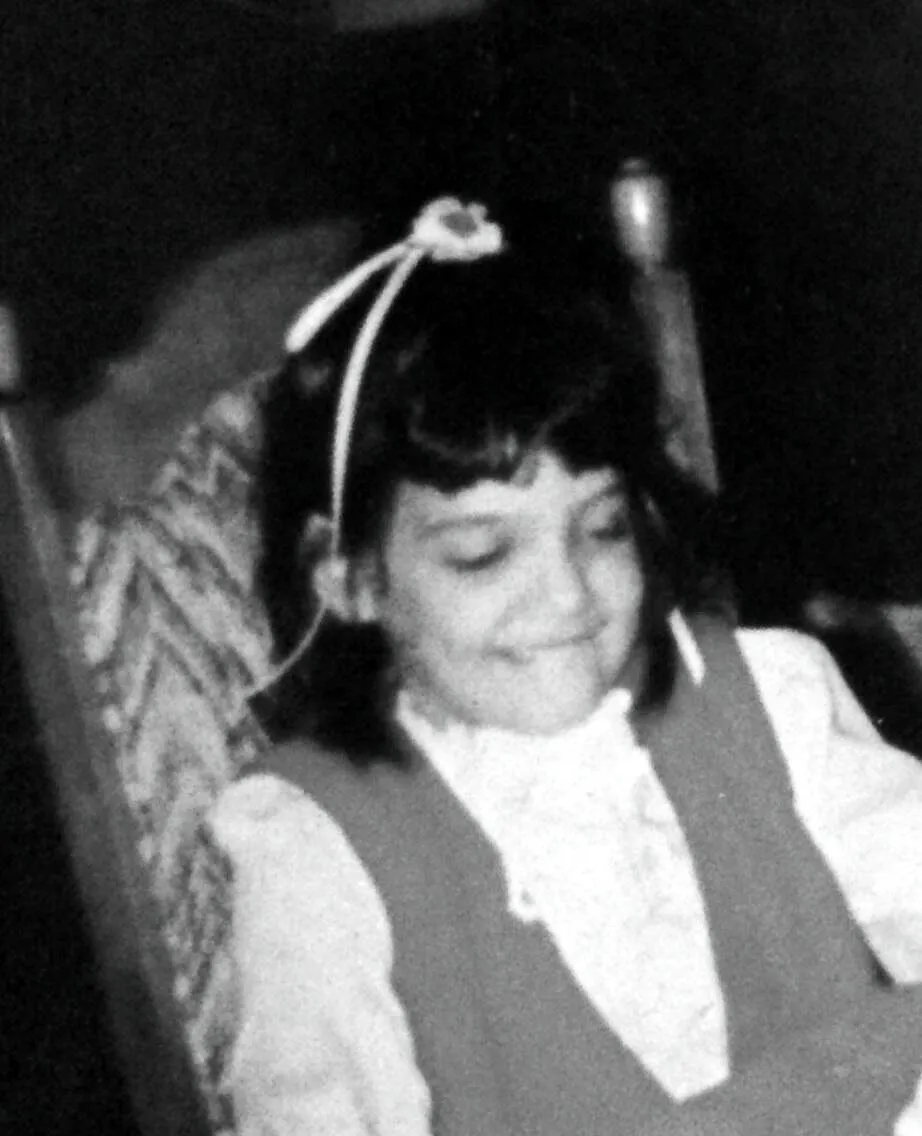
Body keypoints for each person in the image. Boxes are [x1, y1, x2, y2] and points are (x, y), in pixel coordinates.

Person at [209, 197, 922, 1136]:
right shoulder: (319, 846)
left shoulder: (768, 701)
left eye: (603, 528)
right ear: (350, 579)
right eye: (482, 555)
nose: (568, 597)